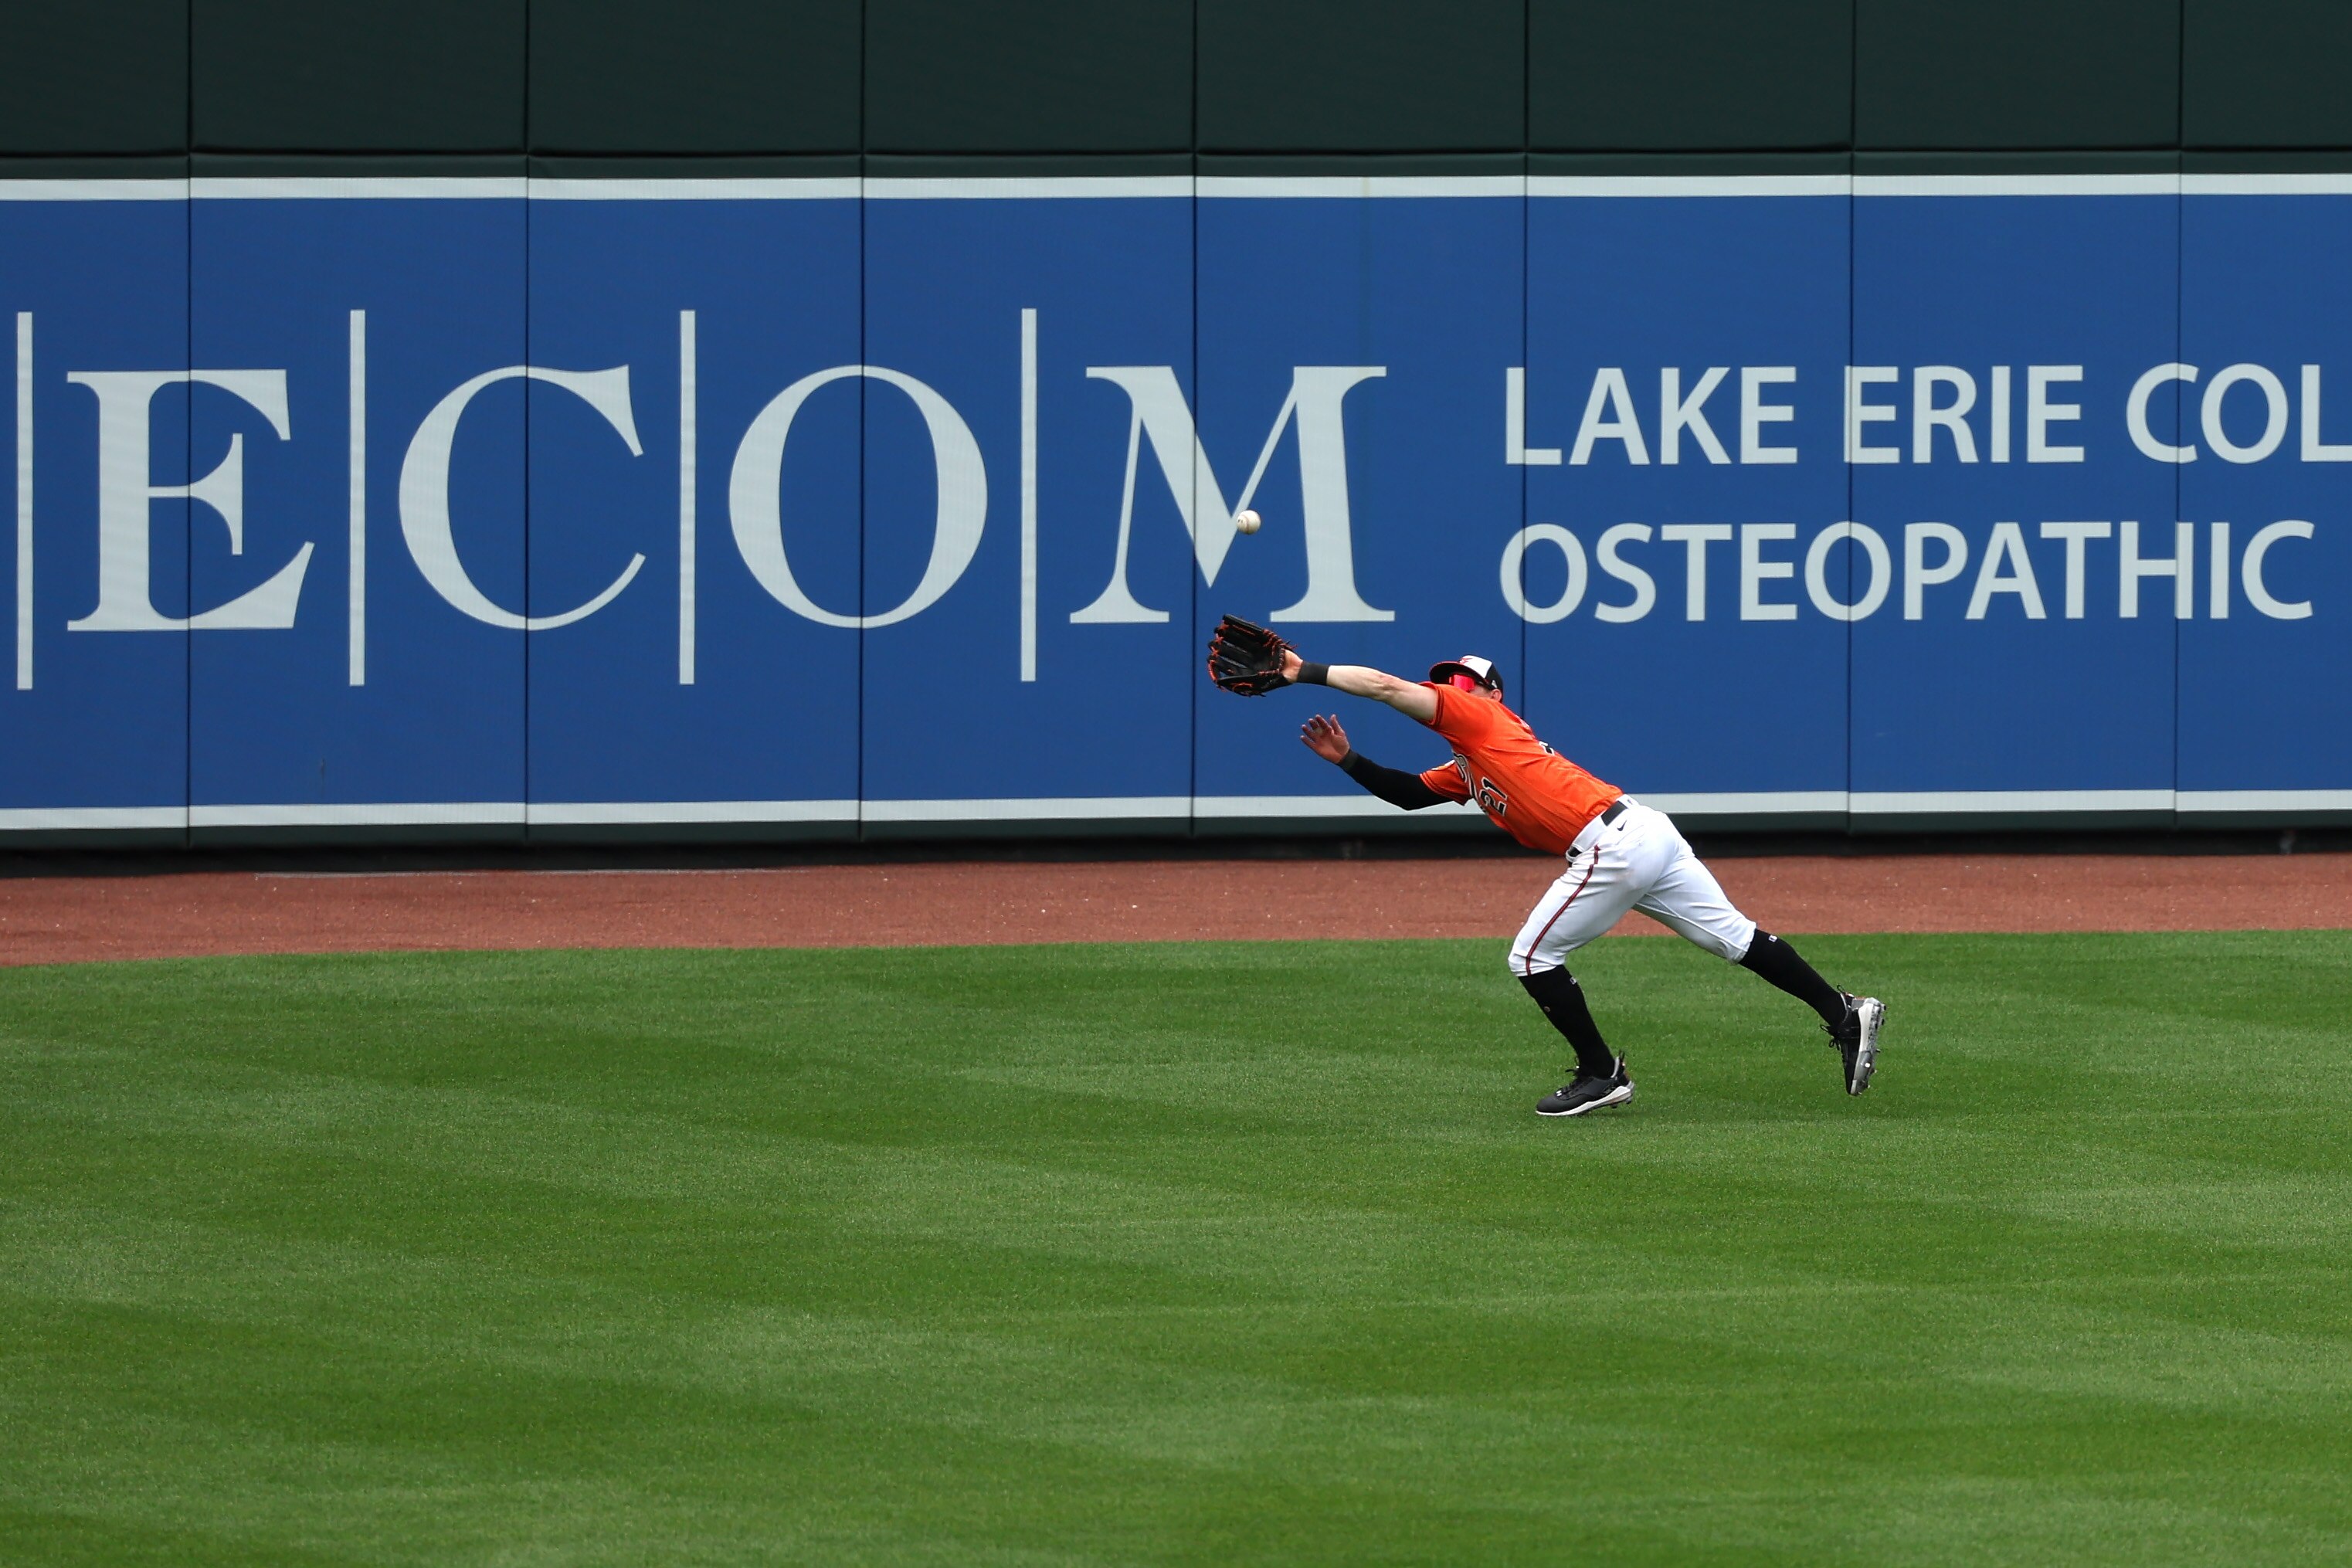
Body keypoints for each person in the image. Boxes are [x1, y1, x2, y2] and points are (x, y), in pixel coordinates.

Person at [1220, 631, 1884, 1116]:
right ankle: (1844, 1011)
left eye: (1463, 678)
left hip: (1613, 845)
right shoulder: (1470, 765)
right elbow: (1410, 794)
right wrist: (1347, 760)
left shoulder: (1479, 718)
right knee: (1733, 939)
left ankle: (1602, 1072)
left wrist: (1303, 670)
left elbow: (1390, 689)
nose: (1452, 686)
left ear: (1490, 693)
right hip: (1641, 832)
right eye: (1446, 678)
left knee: (1531, 958)